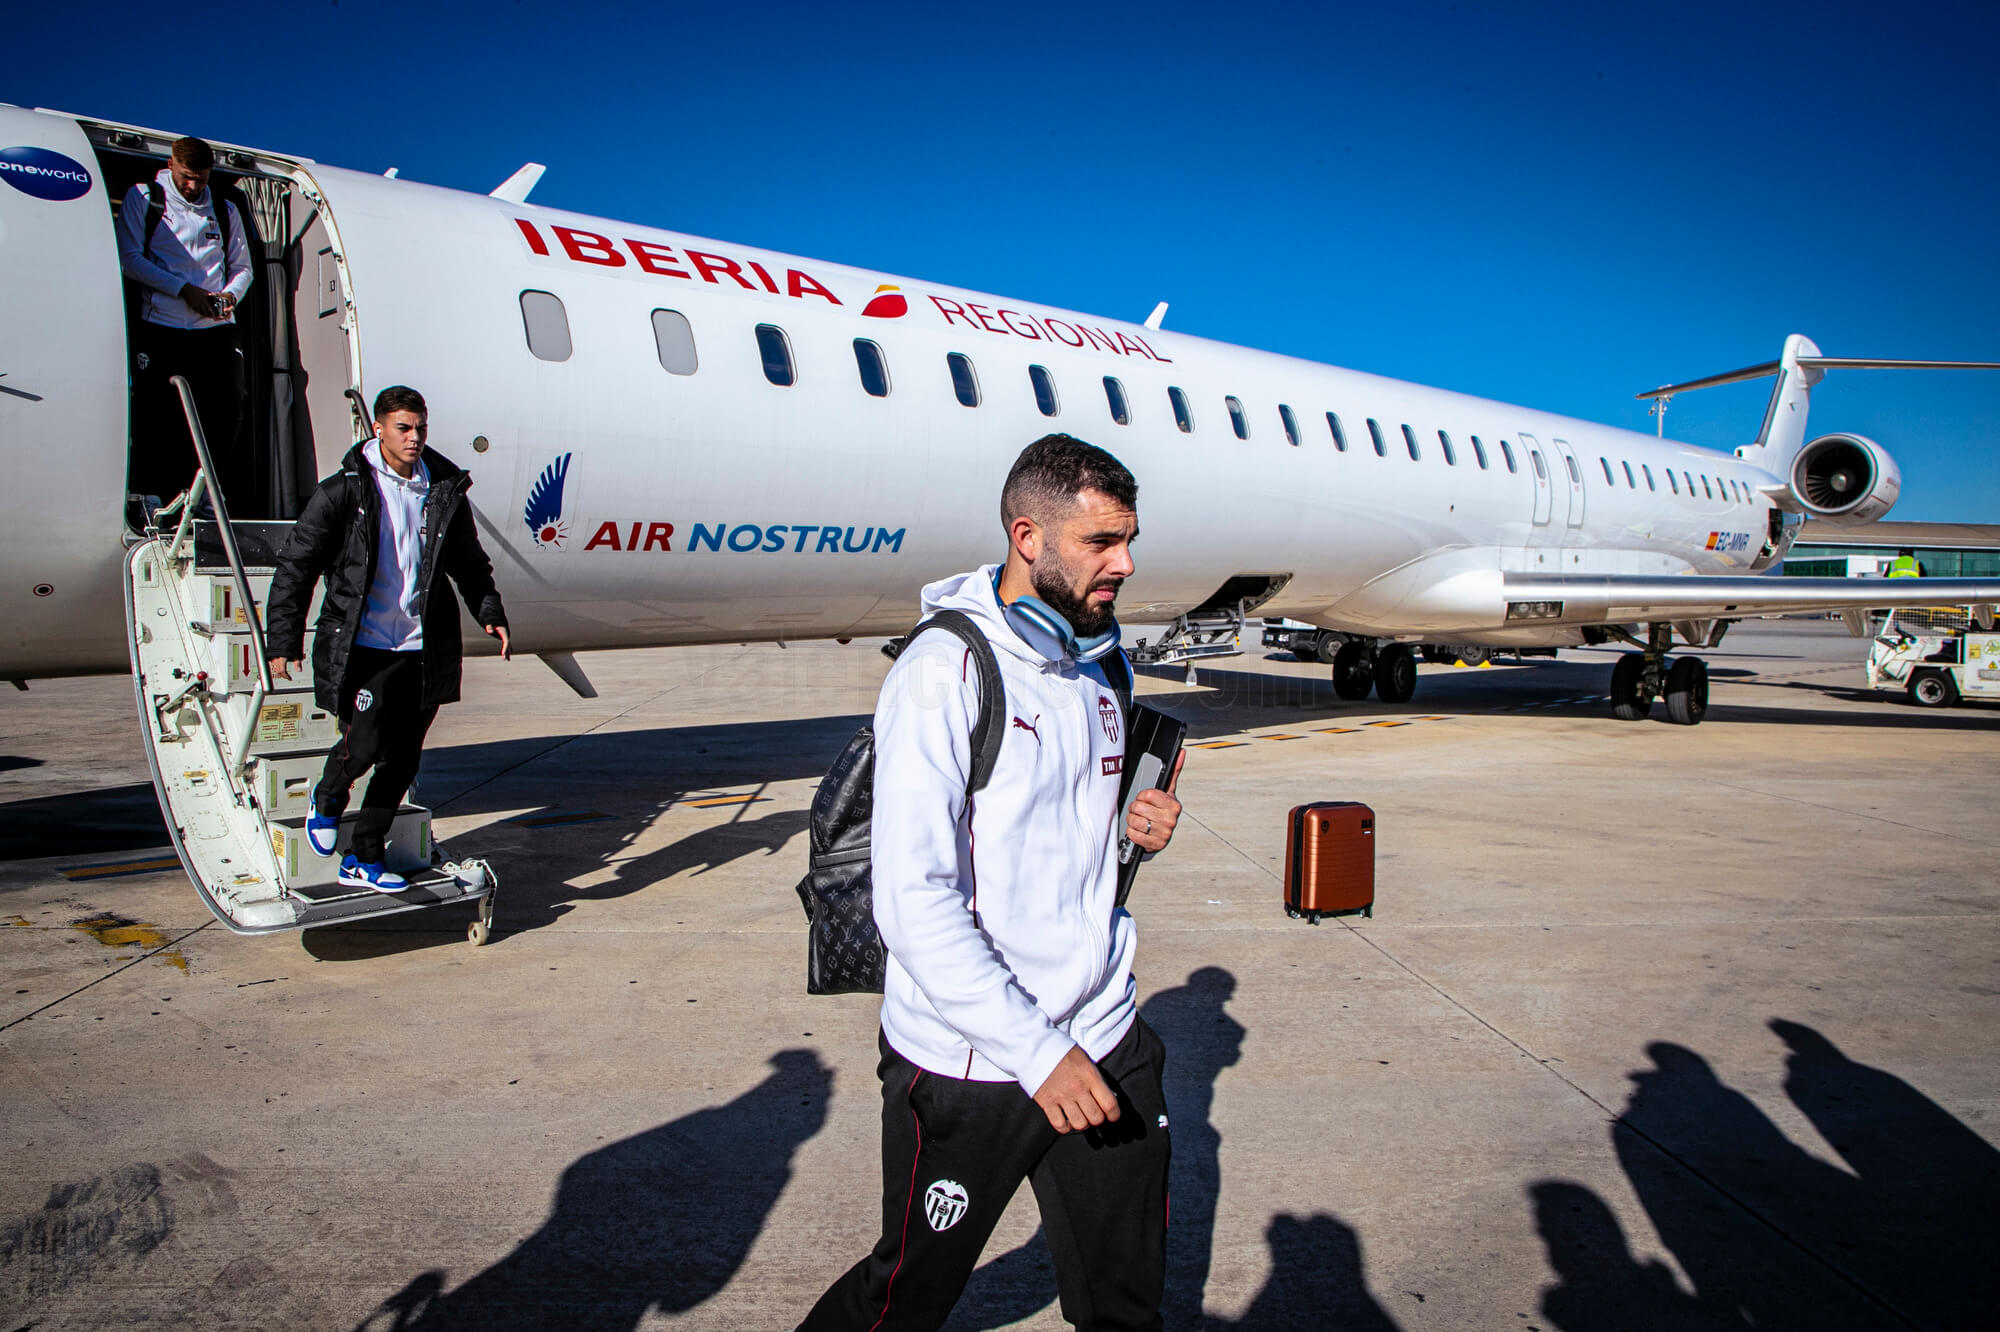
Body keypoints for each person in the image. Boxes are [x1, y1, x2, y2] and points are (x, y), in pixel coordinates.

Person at [801, 434, 1187, 1331]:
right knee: (904, 1297)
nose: (1125, 565)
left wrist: (1137, 831)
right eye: (1101, 543)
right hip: (975, 1057)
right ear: (1029, 536)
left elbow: (1068, 827)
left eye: (1129, 539)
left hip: (1103, 1030)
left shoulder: (1102, 658)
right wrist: (1037, 1053)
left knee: (1126, 1300)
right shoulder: (946, 670)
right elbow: (915, 901)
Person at [263, 386, 510, 891]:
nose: (415, 438)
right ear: (378, 428)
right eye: (404, 428)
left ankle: (365, 856)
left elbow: (468, 560)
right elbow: (296, 565)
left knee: (403, 759)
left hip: (423, 645)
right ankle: (328, 797)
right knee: (362, 746)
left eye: (421, 428)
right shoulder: (344, 492)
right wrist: (282, 639)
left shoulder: (443, 489)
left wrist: (489, 610)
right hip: (366, 643)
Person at [115, 136, 254, 511]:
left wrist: (228, 296)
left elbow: (243, 268)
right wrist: (183, 290)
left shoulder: (224, 210)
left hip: (215, 328)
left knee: (226, 410)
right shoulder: (145, 199)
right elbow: (129, 259)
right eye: (187, 177)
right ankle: (153, 493)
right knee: (160, 413)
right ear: (172, 165)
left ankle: (208, 493)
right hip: (161, 324)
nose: (193, 187)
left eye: (202, 179)